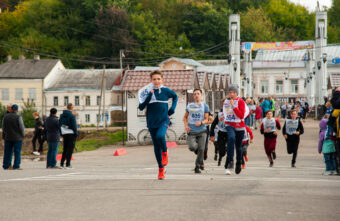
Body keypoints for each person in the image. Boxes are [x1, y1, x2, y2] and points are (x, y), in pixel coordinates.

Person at [138, 70, 178, 180]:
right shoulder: (147, 92)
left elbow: (175, 97)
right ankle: (161, 170)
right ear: (151, 81)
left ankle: (165, 152)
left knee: (160, 136)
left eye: (158, 79)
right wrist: (148, 97)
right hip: (151, 122)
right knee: (156, 147)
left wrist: (172, 108)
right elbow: (141, 107)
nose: (156, 81)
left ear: (162, 80)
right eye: (154, 79)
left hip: (164, 120)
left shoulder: (165, 91)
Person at [183, 89, 210, 174]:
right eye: (194, 94)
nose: (196, 95)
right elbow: (185, 118)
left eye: (198, 94)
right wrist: (186, 125)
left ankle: (197, 166)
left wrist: (201, 122)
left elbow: (207, 119)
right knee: (192, 147)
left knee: (201, 148)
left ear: (201, 95)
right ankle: (201, 159)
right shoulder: (189, 106)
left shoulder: (205, 106)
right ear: (193, 96)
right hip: (192, 131)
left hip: (202, 131)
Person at [223, 84, 247, 175]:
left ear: (236, 93)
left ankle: (238, 163)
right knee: (231, 138)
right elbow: (225, 112)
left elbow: (241, 115)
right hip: (230, 124)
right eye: (230, 92)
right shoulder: (226, 101)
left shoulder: (241, 102)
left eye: (233, 92)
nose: (231, 94)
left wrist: (233, 107)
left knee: (239, 147)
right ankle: (230, 161)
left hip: (239, 125)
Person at [2, 104, 25, 170]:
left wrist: (5, 135)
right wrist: (23, 135)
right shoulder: (18, 117)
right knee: (17, 152)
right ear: (17, 110)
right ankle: (16, 165)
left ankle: (6, 165)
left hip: (8, 137)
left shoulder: (5, 117)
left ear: (11, 109)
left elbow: (3, 127)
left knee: (7, 152)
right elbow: (21, 127)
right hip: (17, 137)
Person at [59, 103, 78, 169]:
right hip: (71, 133)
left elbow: (60, 124)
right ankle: (68, 164)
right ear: (71, 108)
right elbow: (74, 126)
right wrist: (76, 133)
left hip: (64, 133)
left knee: (65, 149)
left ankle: (61, 163)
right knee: (70, 150)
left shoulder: (61, 115)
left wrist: (61, 132)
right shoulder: (72, 116)